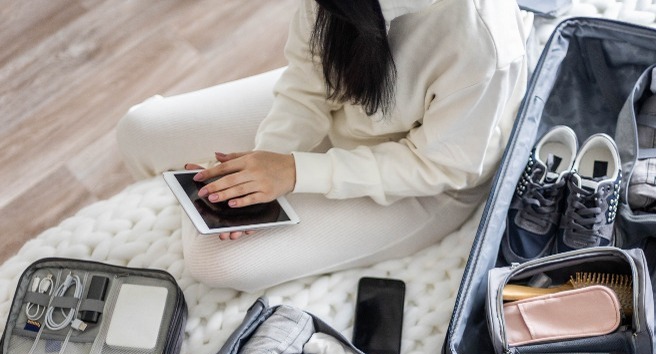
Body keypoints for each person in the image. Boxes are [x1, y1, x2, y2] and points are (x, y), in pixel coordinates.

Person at [117, 0, 534, 291]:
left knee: (210, 257)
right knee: (140, 130)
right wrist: (268, 160)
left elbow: (439, 166)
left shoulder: (482, 40)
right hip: (348, 107)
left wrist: (297, 171)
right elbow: (307, 77)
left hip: (426, 178)